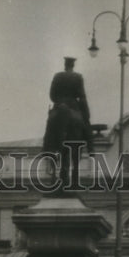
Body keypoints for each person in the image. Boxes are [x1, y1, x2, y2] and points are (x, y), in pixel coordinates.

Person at [42, 56, 93, 189]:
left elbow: (52, 95)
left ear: (65, 65)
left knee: (50, 127)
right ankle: (91, 147)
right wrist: (86, 114)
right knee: (85, 127)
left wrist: (60, 101)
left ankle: (47, 148)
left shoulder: (57, 76)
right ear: (73, 66)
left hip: (59, 106)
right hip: (73, 107)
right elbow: (82, 96)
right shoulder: (78, 77)